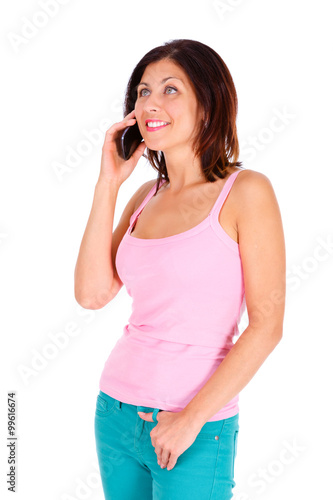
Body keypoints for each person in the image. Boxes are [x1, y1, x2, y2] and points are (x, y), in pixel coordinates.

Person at [74, 39, 286, 500]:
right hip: (115, 412)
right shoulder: (146, 196)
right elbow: (92, 294)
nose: (151, 102)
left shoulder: (245, 192)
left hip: (193, 426)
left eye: (171, 90)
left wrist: (191, 421)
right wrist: (108, 183)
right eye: (143, 91)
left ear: (208, 105)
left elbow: (267, 326)